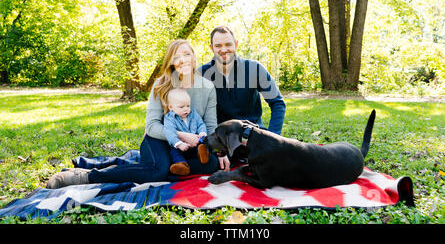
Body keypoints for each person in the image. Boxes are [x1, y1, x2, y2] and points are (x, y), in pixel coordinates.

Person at [46, 39, 219, 188]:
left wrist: (219, 151)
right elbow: (151, 126)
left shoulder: (207, 87)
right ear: (171, 62)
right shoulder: (162, 84)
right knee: (158, 172)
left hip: (189, 146)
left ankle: (153, 166)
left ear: (194, 57)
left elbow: (211, 126)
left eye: (187, 54)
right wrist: (181, 135)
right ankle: (87, 176)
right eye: (177, 57)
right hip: (159, 139)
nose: (183, 60)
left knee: (211, 164)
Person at [200, 25, 286, 172]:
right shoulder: (203, 73)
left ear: (236, 44)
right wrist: (217, 150)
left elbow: (278, 104)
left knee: (278, 168)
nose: (223, 49)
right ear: (211, 47)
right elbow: (198, 113)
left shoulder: (254, 68)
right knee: (208, 166)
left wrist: (273, 139)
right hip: (222, 140)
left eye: (228, 44)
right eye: (218, 45)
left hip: (252, 135)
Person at [164, 88, 210, 176]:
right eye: (181, 107)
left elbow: (201, 124)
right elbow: (169, 132)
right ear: (171, 107)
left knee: (201, 145)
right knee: (174, 152)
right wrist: (178, 143)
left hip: (195, 142)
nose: (186, 109)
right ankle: (181, 165)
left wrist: (202, 132)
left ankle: (203, 154)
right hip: (180, 146)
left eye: (188, 106)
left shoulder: (193, 114)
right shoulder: (169, 118)